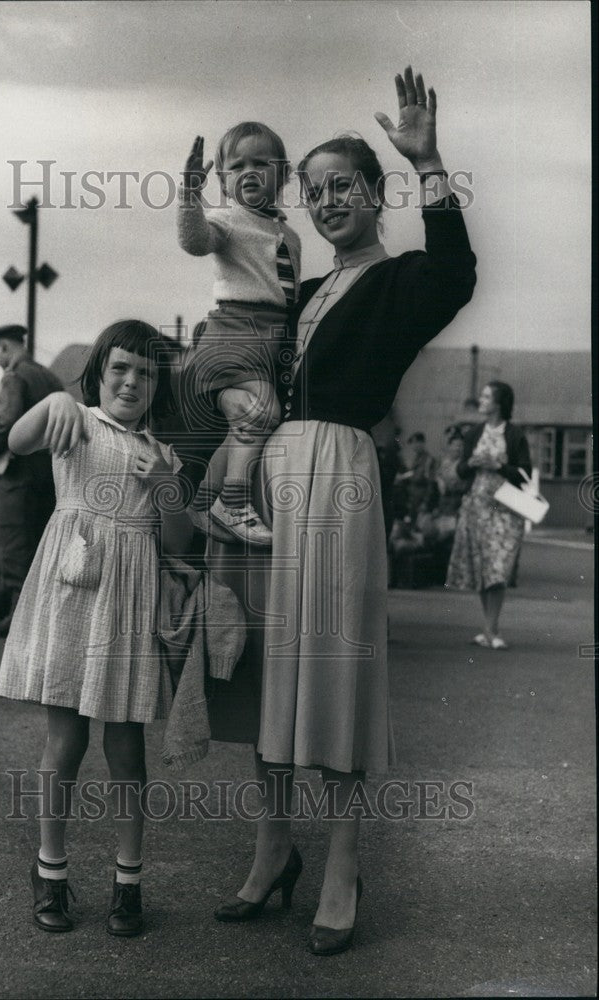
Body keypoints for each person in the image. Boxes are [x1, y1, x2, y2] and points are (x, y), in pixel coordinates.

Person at [206, 66, 477, 956]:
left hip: (339, 475)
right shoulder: (293, 293)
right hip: (271, 479)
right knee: (262, 677)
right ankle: (272, 852)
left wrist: (429, 160)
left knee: (330, 673)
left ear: (373, 195)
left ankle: (341, 867)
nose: (324, 202)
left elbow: (457, 271)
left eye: (342, 189)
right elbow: (230, 354)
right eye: (313, 190)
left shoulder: (399, 282)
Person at [0, 320, 192, 937]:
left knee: (127, 745)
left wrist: (169, 492)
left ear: (158, 386)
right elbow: (19, 440)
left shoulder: (162, 452)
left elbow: (180, 539)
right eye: (120, 369)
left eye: (146, 372)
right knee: (67, 741)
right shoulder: (73, 421)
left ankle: (127, 881)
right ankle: (50, 871)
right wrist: (50, 399)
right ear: (99, 374)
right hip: (75, 589)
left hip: (130, 601)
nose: (132, 381)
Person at [177, 124, 301, 545]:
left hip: (268, 339)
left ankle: (203, 502)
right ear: (223, 181)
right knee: (261, 412)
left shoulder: (290, 236)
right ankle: (232, 502)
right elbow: (195, 242)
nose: (249, 172)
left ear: (283, 175)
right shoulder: (228, 220)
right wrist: (190, 197)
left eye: (261, 163)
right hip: (234, 330)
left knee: (246, 424)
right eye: (237, 165)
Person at [0, 324, 63, 636]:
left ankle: (16, 620)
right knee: (41, 541)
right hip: (50, 474)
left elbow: (6, 422)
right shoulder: (50, 377)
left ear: (4, 347)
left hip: (18, 474)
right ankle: (40, 622)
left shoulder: (14, 377)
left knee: (14, 541)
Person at [445, 381, 531, 649]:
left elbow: (525, 475)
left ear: (499, 403)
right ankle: (489, 628)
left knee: (498, 568)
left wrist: (498, 465)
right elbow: (460, 472)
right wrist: (470, 463)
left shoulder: (515, 435)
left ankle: (491, 629)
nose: (480, 401)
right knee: (484, 570)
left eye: (485, 397)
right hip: (477, 507)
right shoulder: (473, 434)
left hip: (504, 507)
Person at [404, 431, 438, 516]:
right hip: (412, 499)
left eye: (416, 442)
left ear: (422, 443)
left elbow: (431, 483)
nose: (414, 446)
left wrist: (425, 503)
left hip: (422, 499)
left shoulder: (429, 460)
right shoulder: (415, 459)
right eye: (412, 443)